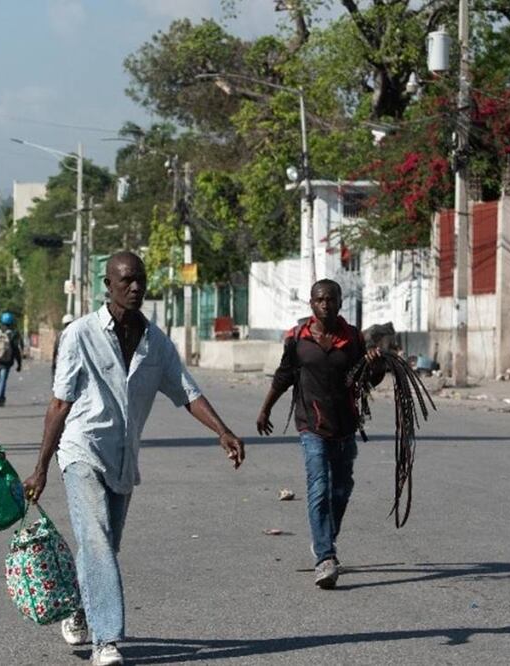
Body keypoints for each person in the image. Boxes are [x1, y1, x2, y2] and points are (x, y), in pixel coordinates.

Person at [22, 252, 245, 666]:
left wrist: (223, 430)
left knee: (105, 544)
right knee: (96, 538)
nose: (135, 287)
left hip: (123, 458)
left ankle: (78, 607)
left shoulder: (155, 342)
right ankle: (106, 641)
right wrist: (41, 466)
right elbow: (59, 404)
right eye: (125, 280)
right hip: (81, 450)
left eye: (140, 280)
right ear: (107, 286)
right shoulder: (80, 334)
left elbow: (186, 391)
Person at [255, 279, 384, 590]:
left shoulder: (352, 338)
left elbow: (365, 381)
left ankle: (324, 537)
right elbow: (284, 376)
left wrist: (377, 365)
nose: (325, 304)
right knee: (319, 485)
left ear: (340, 303)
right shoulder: (298, 339)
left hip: (345, 425)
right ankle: (325, 557)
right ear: (311, 303)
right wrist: (265, 409)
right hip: (310, 424)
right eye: (319, 299)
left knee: (341, 489)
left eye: (331, 299)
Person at [0, 312, 22, 407]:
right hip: (6, 362)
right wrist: (19, 363)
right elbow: (16, 350)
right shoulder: (12, 335)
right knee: (3, 379)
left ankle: (0, 396)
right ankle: (0, 396)